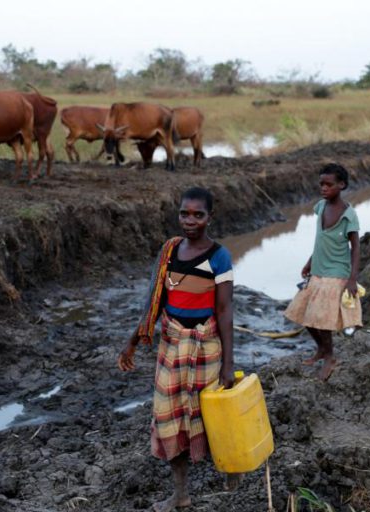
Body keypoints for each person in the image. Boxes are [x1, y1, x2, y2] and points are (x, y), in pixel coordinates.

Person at [117, 186, 236, 512]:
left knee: (211, 418)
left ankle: (232, 470)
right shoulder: (170, 251)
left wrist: (228, 364)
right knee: (169, 420)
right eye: (185, 213)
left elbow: (224, 311)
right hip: (171, 347)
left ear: (210, 217)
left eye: (198, 214)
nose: (190, 220)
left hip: (205, 348)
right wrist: (132, 341)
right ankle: (181, 494)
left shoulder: (219, 256)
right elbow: (156, 301)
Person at [284, 163, 362, 381]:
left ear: (342, 185)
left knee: (322, 318)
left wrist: (352, 278)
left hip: (337, 272)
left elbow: (356, 247)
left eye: (329, 184)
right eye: (321, 184)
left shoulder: (348, 215)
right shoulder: (320, 207)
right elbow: (321, 240)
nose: (324, 188)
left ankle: (330, 357)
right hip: (318, 268)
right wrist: (309, 261)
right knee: (305, 314)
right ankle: (321, 349)